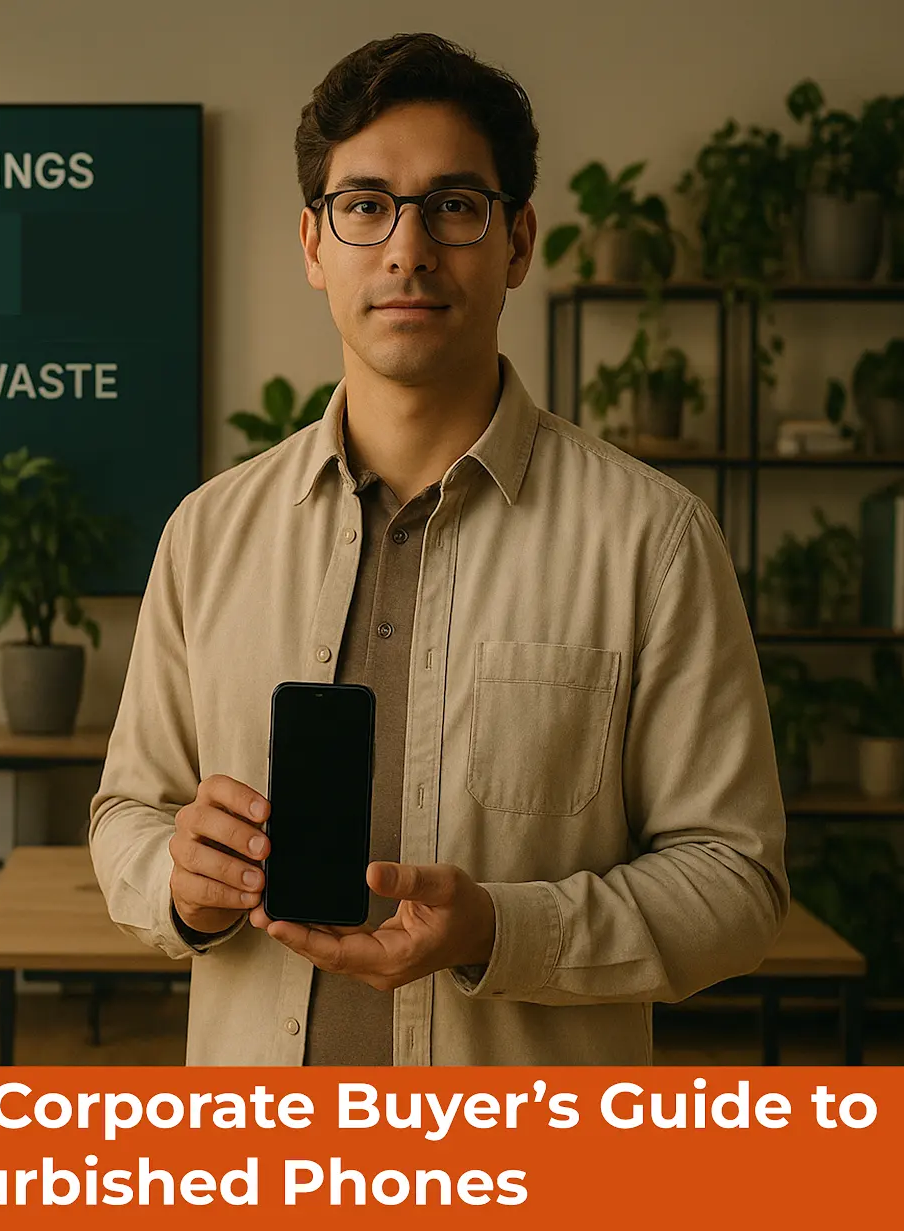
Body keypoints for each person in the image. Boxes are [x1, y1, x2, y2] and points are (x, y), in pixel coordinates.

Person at [88, 32, 788, 1065]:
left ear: (517, 242)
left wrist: (502, 931)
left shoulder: (653, 541)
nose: (406, 249)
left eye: (453, 206)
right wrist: (175, 882)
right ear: (313, 244)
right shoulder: (211, 532)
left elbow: (734, 880)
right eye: (365, 205)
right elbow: (126, 816)